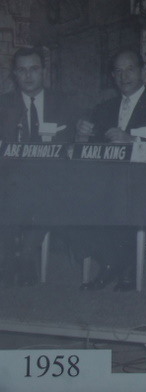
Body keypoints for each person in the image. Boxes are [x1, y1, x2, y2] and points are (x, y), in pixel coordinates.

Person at [76, 48, 146, 291]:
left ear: (142, 71)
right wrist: (80, 136)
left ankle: (122, 266)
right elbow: (87, 151)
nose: (124, 76)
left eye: (130, 69)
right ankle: (111, 262)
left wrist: (131, 140)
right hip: (107, 183)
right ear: (113, 76)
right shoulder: (103, 108)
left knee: (119, 196)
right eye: (118, 71)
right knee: (74, 198)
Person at [0, 46, 78, 286]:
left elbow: (71, 144)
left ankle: (25, 254)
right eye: (22, 70)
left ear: (44, 71)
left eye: (33, 69)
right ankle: (8, 258)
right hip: (10, 178)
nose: (28, 76)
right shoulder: (3, 104)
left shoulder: (63, 103)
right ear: (15, 74)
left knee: (50, 191)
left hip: (50, 178)